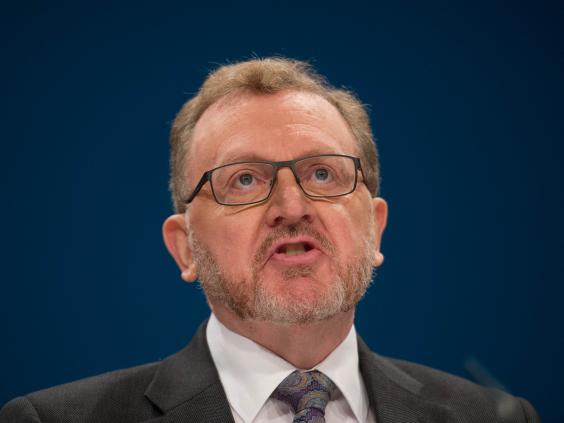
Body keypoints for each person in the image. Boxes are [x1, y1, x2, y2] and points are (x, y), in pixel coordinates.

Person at [0, 57, 539, 423]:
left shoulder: (495, 417)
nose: (292, 207)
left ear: (374, 227)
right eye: (244, 180)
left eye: (323, 174)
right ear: (185, 246)